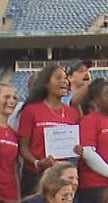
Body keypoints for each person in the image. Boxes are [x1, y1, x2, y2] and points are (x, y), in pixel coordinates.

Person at [18, 64, 80, 196]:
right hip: (36, 177)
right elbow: (23, 147)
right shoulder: (31, 111)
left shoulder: (73, 113)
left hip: (63, 178)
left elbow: (75, 148)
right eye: (58, 78)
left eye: (65, 78)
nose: (64, 81)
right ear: (46, 83)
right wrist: (37, 163)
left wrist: (78, 150)